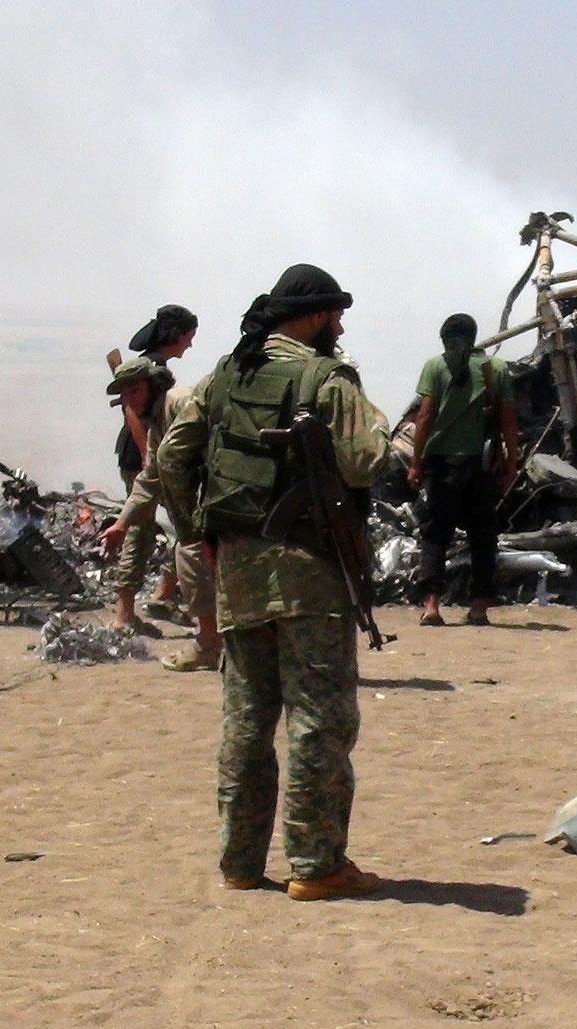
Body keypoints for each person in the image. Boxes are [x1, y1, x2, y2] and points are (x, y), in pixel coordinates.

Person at [156, 264, 391, 899]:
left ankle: (240, 863)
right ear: (313, 317)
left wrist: (196, 530)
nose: (340, 326)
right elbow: (368, 459)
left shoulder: (227, 374)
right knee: (319, 717)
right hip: (310, 572)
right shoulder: (327, 378)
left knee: (246, 717)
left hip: (237, 568)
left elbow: (172, 456)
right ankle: (316, 868)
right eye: (334, 314)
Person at [407, 313, 518, 626]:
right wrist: (512, 462)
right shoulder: (495, 368)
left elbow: (424, 418)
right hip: (483, 465)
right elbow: (509, 420)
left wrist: (416, 463)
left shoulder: (435, 367)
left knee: (436, 534)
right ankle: (479, 606)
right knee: (483, 535)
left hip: (442, 464)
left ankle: (431, 606)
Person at [119, 305, 199, 618]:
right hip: (142, 457)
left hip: (149, 458)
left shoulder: (156, 365)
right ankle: (131, 609)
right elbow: (133, 414)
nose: (190, 343)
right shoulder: (150, 368)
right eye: (189, 336)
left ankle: (163, 593)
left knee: (172, 528)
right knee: (144, 532)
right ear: (176, 335)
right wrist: (147, 459)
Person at [97, 354, 185, 636]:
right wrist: (121, 524)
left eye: (135, 391)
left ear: (153, 385)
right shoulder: (157, 419)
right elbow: (150, 477)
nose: (130, 401)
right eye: (125, 394)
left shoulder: (179, 405)